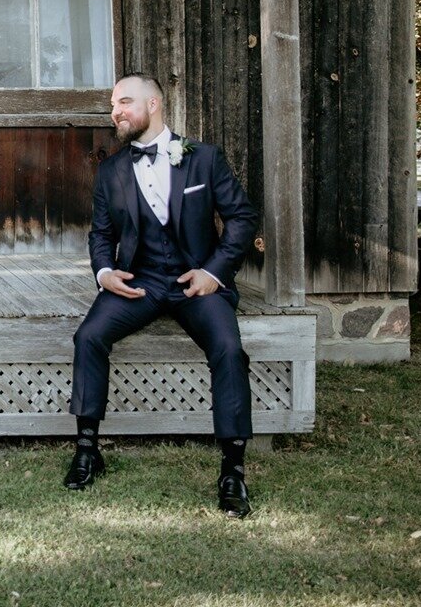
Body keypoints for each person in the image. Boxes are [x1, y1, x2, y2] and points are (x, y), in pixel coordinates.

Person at [64, 73, 259, 518]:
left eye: (125, 102)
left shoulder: (204, 158)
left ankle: (233, 469)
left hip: (196, 283)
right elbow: (101, 233)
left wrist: (214, 271)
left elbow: (243, 218)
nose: (116, 111)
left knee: (229, 348)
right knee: (88, 336)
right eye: (113, 104)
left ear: (154, 105)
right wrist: (105, 272)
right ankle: (87, 449)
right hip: (141, 281)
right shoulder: (111, 170)